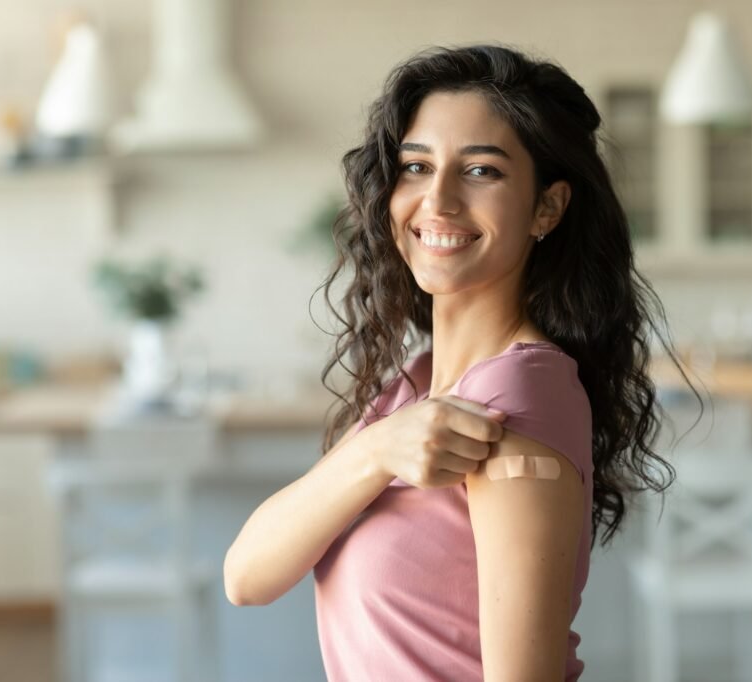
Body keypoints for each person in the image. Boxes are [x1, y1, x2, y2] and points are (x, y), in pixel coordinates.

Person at [224, 43, 700, 681]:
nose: (438, 200)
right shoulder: (413, 386)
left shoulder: (522, 400)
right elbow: (246, 577)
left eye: (482, 171)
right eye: (416, 167)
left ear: (548, 209)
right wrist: (374, 451)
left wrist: (382, 448)